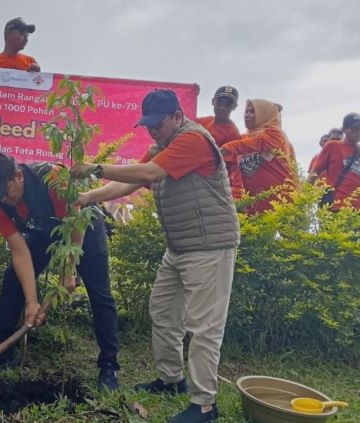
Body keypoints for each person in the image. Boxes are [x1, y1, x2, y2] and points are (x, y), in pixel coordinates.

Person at [71, 89, 239, 423]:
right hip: (179, 247)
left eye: (157, 125)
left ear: (177, 116)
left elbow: (147, 174)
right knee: (162, 310)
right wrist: (88, 197)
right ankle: (170, 379)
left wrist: (94, 167)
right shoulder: (162, 148)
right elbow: (130, 183)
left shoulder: (193, 141)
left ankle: (204, 404)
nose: (152, 132)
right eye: (147, 126)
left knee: (203, 326)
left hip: (209, 247)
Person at [0, 151, 120, 391]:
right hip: (46, 232)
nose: (4, 199)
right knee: (13, 278)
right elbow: (20, 252)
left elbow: (75, 219)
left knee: (100, 293)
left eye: (5, 190)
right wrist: (32, 303)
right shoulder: (1, 205)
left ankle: (109, 367)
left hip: (83, 226)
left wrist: (69, 271)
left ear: (19, 176)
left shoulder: (53, 177)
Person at [220, 99, 297, 214]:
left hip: (282, 204)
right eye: (246, 111)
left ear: (265, 115)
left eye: (252, 112)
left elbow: (259, 143)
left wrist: (227, 148)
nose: (247, 115)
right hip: (254, 206)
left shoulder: (275, 134)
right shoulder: (243, 139)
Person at [196, 86, 244, 199]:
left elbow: (224, 167)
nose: (223, 107)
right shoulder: (204, 121)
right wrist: (193, 97)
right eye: (220, 103)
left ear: (234, 107)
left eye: (228, 104)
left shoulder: (233, 133)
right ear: (213, 102)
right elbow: (183, 122)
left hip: (213, 184)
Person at [310, 113, 360, 210]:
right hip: (336, 207)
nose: (358, 132)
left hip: (357, 211)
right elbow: (314, 173)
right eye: (354, 129)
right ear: (344, 129)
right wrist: (303, 200)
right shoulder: (332, 146)